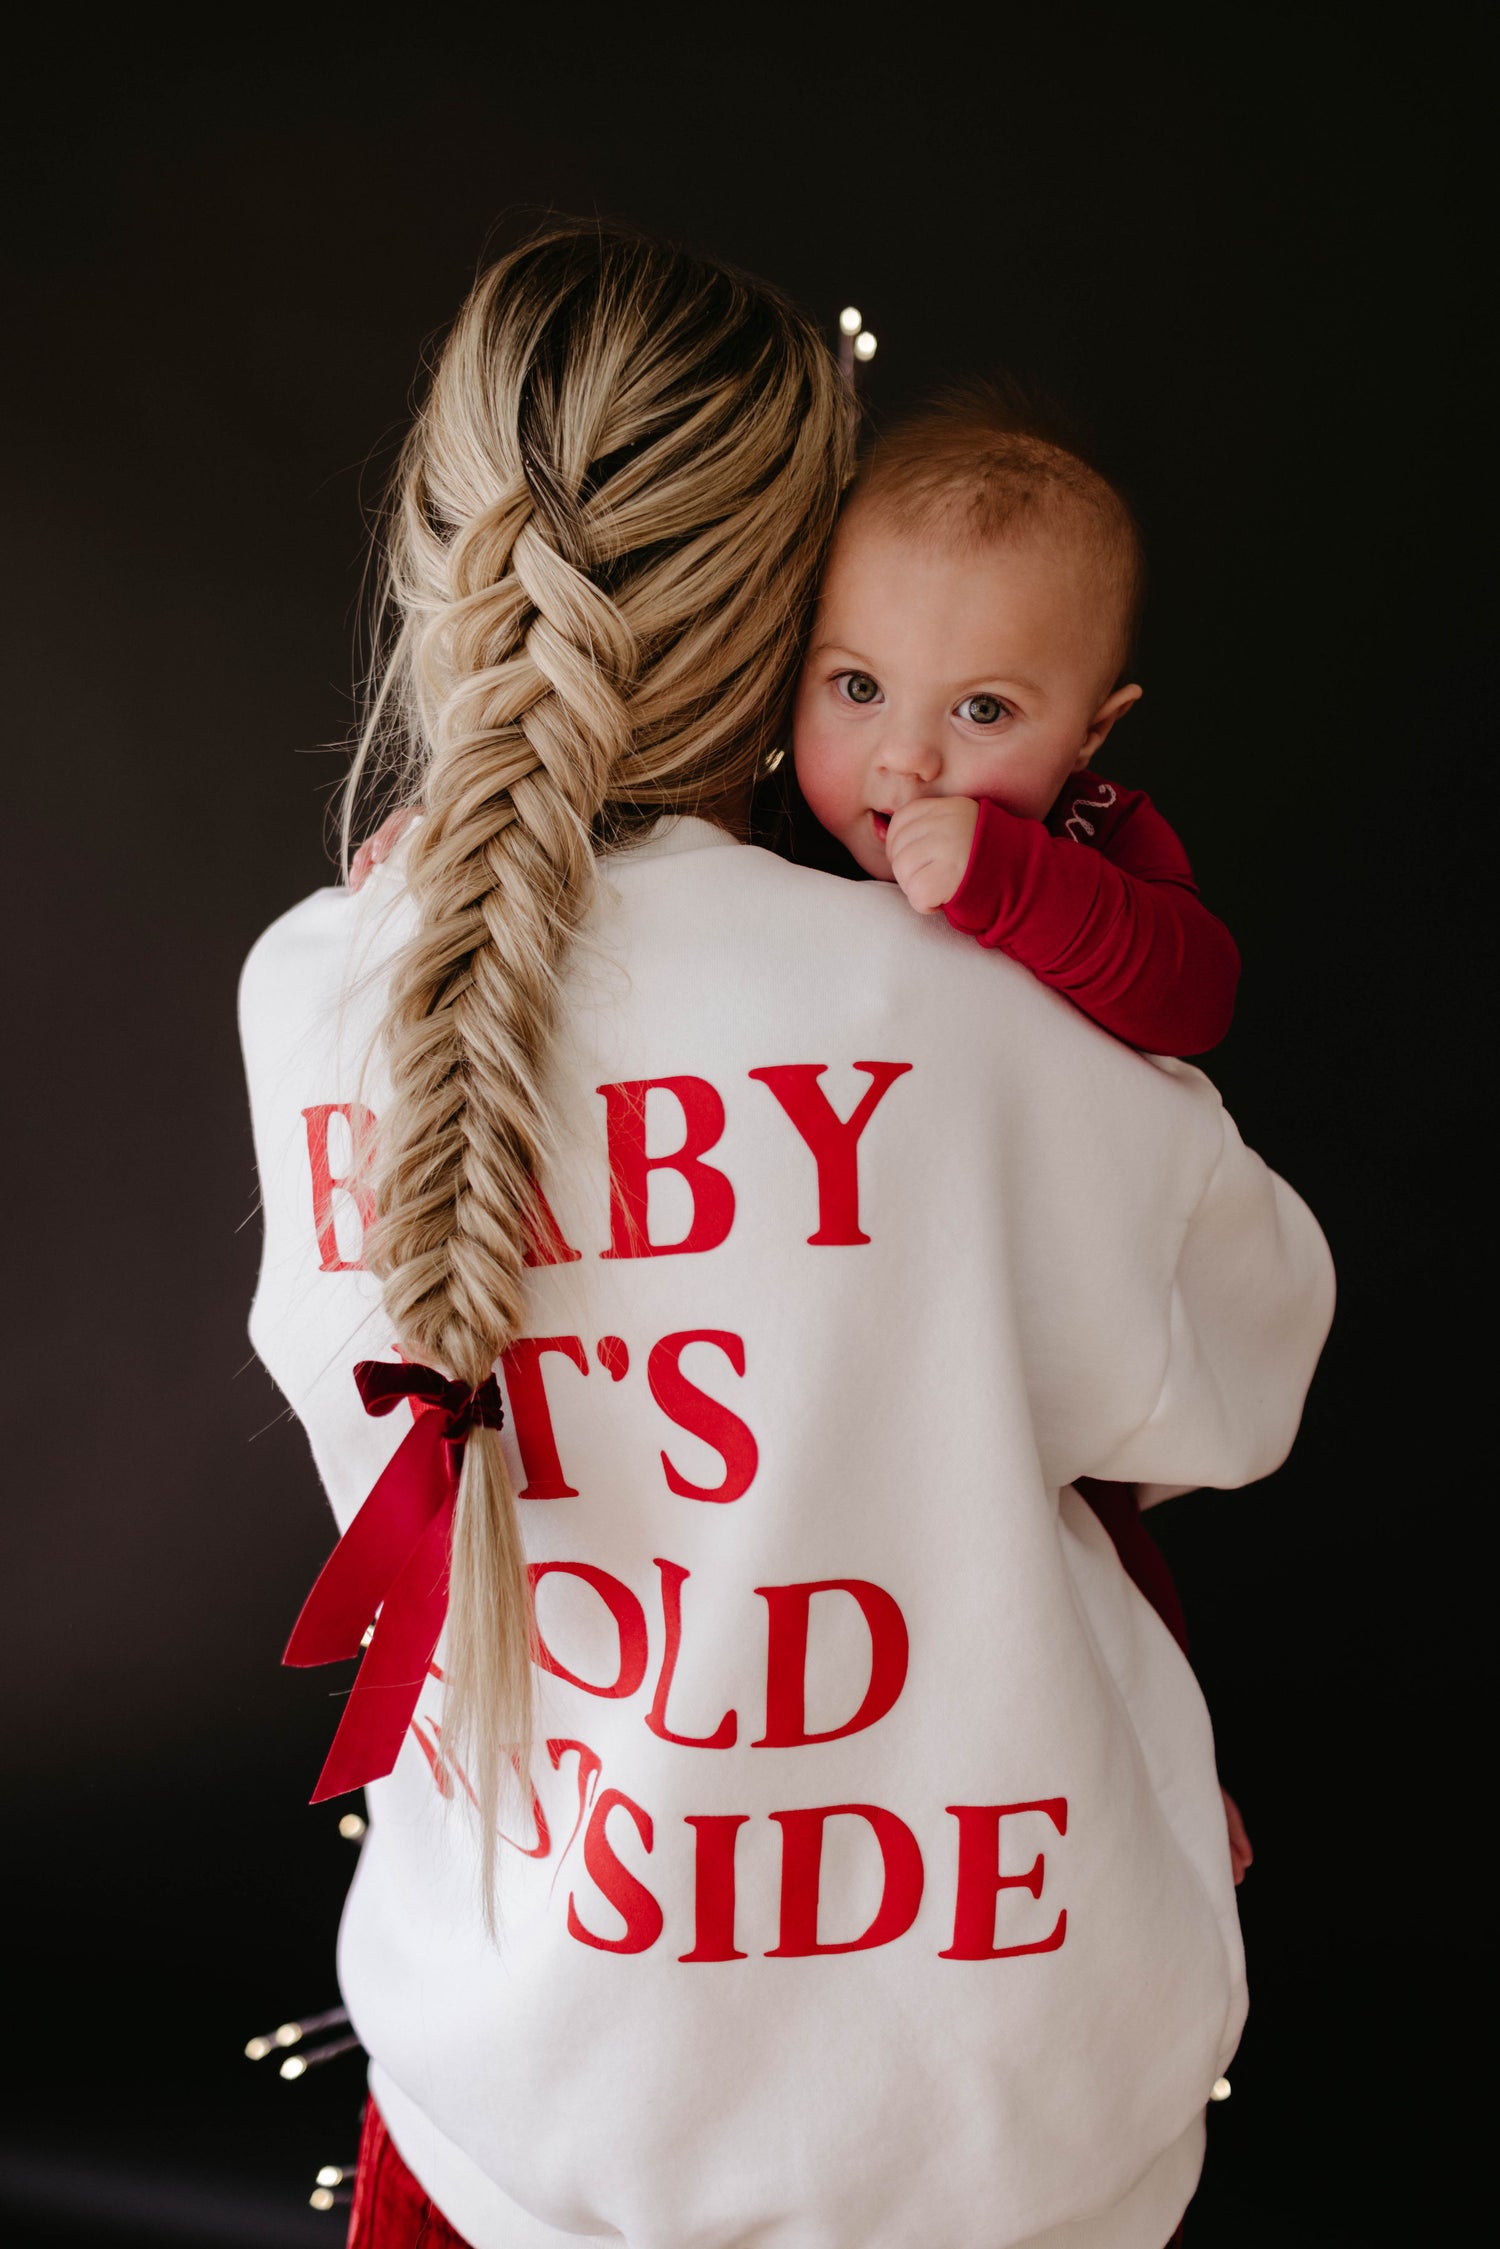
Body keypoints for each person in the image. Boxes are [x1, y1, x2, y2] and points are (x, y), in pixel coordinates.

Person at [240, 224, 1334, 2249]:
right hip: (989, 2108)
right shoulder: (981, 1006)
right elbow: (1241, 1388)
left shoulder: (318, 983)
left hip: (523, 2074)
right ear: (790, 601)